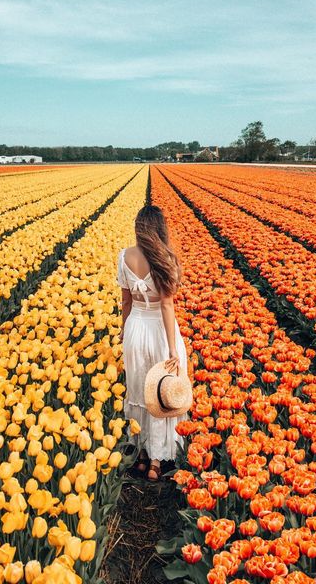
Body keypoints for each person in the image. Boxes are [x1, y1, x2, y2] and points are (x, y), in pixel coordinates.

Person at [117, 205, 189, 481]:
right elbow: (167, 306)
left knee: (138, 389)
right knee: (160, 391)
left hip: (136, 327)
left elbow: (125, 301)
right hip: (159, 330)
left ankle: (141, 454)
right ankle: (157, 462)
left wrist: (125, 331)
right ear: (160, 229)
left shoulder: (124, 257)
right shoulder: (165, 258)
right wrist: (172, 348)